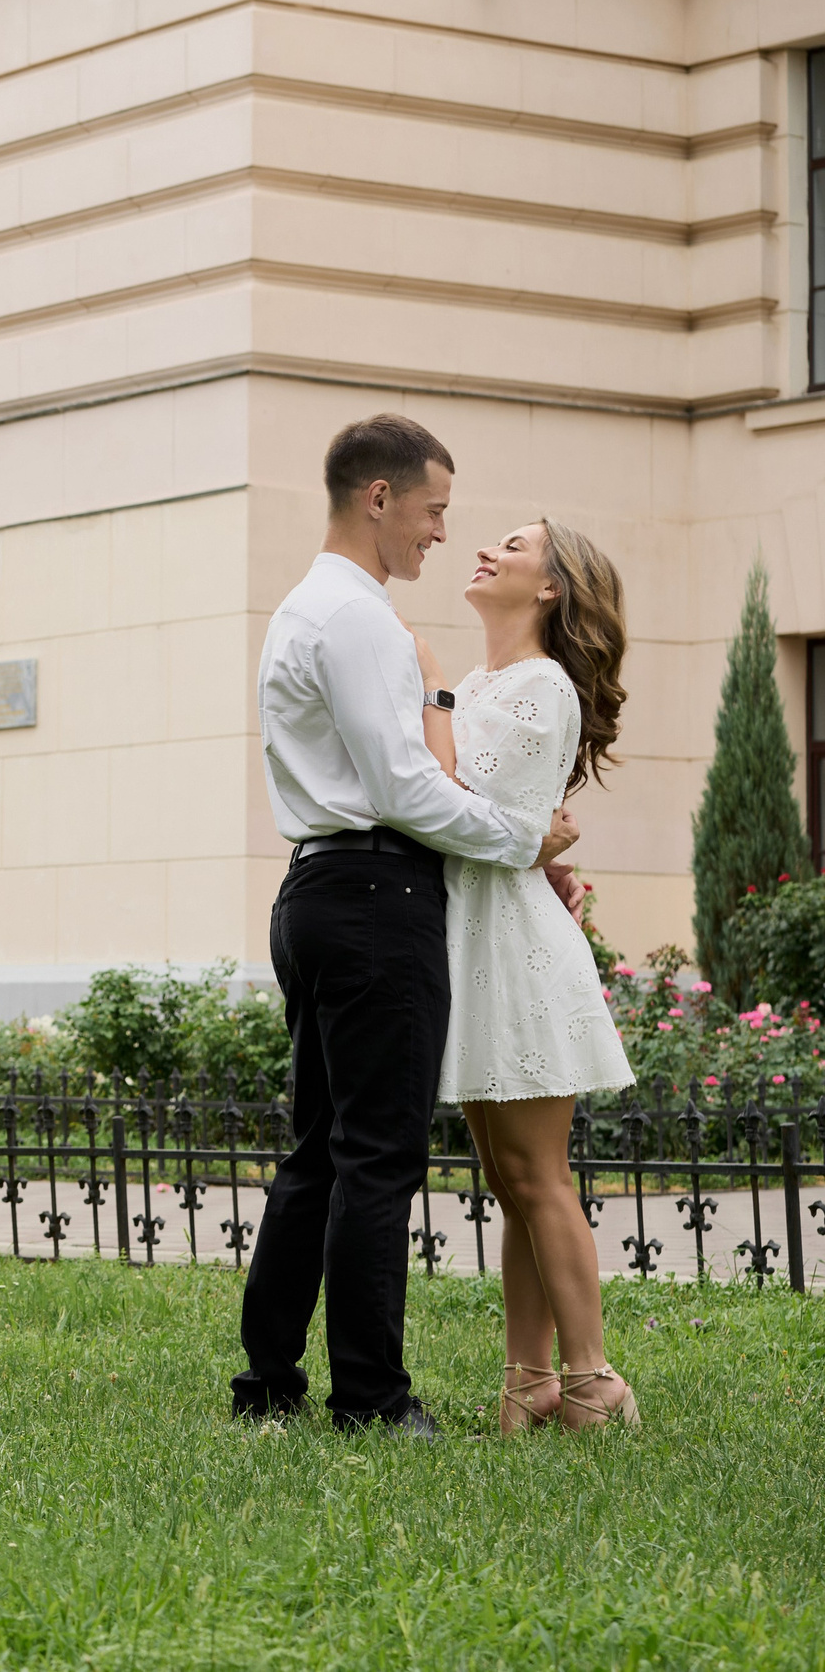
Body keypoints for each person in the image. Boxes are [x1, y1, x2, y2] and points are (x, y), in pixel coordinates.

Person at [234, 413, 581, 1436]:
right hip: (374, 899)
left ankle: (268, 1386)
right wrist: (520, 838)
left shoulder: (310, 608)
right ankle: (374, 1401)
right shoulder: (355, 620)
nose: (439, 534)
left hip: (319, 892)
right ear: (377, 497)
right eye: (431, 511)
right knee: (376, 1157)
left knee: (317, 1154)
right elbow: (402, 788)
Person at [414, 519, 639, 1430]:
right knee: (510, 1180)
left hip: (513, 948)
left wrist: (424, 690)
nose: (487, 549)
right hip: (476, 940)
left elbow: (447, 797)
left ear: (551, 586)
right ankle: (527, 1379)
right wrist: (441, 695)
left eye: (513, 544)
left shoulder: (541, 685)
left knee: (539, 1175)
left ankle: (592, 1382)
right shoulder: (483, 685)